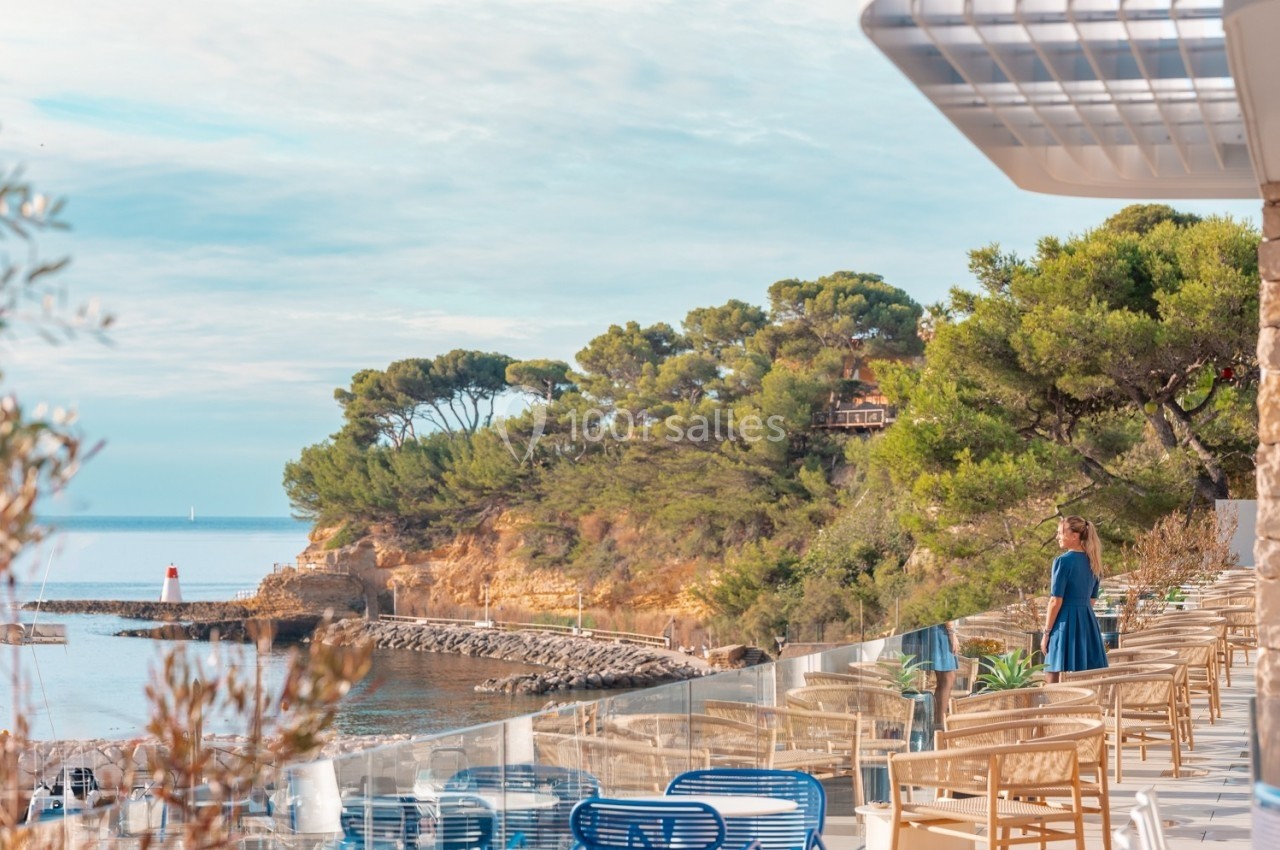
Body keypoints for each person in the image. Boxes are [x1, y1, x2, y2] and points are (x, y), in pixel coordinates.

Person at [1041, 515, 1109, 683]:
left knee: (1053, 669)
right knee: (1084, 672)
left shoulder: (1062, 562)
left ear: (1074, 535)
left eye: (1060, 533)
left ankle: (1052, 708)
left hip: (1063, 621)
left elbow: (1055, 601)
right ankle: (1083, 707)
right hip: (1087, 621)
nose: (1057, 537)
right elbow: (1092, 599)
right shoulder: (1094, 561)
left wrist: (1047, 632)